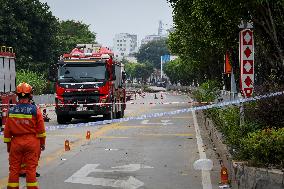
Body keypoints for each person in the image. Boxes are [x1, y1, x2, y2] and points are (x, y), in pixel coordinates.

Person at [4, 82, 46, 189]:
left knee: (14, 169)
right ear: (30, 95)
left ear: (17, 96)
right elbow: (41, 130)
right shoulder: (35, 110)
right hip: (32, 142)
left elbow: (7, 131)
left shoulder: (11, 110)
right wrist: (42, 143)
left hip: (16, 143)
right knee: (31, 169)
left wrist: (9, 146)